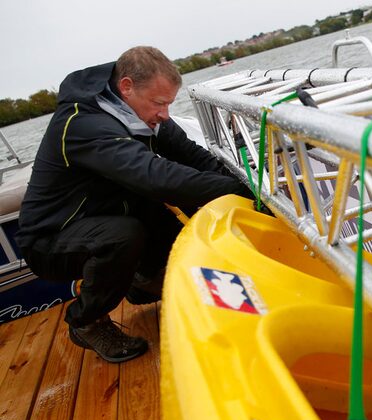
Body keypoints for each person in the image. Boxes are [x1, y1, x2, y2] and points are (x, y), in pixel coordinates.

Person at [16, 46, 250, 363]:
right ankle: (86, 320)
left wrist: (245, 188)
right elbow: (156, 176)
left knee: (151, 209)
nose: (165, 114)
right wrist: (233, 191)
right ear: (126, 87)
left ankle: (143, 282)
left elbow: (192, 155)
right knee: (123, 233)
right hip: (51, 239)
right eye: (159, 103)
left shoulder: (142, 113)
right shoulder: (82, 125)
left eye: (169, 103)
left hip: (105, 214)